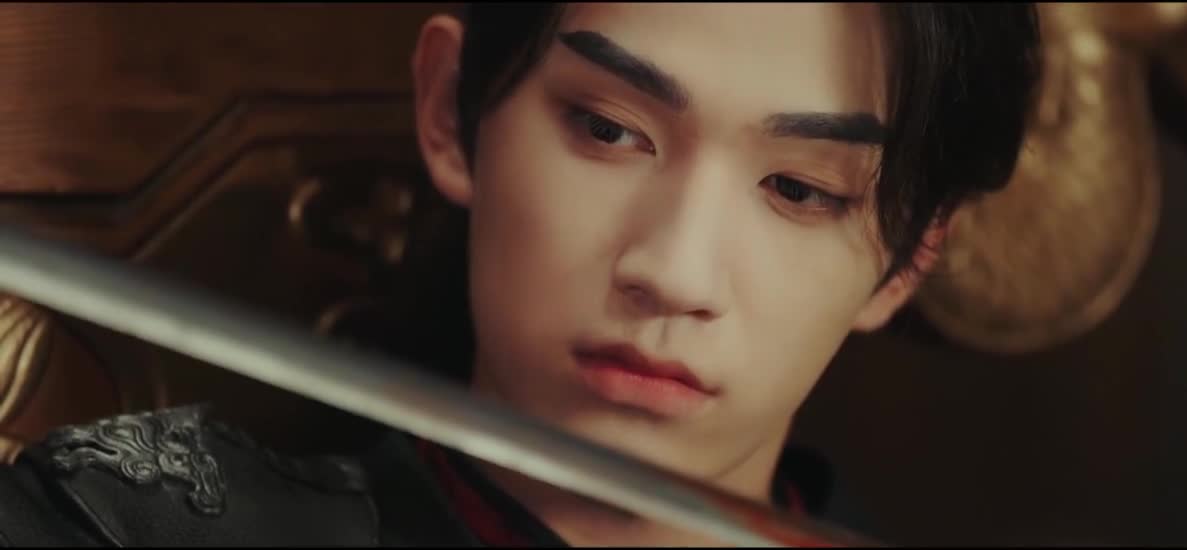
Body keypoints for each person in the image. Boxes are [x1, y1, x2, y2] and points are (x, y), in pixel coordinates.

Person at [0, 3, 1040, 547]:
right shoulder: (129, 527)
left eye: (799, 189)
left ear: (906, 261)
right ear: (453, 111)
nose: (672, 272)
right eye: (607, 128)